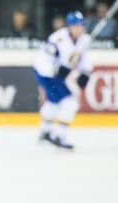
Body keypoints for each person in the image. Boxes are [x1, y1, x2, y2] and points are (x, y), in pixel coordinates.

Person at [33, 11, 92, 150]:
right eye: (74, 26)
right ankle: (59, 136)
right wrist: (56, 69)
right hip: (44, 73)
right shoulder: (57, 38)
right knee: (69, 102)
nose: (78, 29)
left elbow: (85, 59)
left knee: (54, 102)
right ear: (68, 26)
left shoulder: (85, 40)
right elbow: (42, 59)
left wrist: (85, 73)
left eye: (80, 26)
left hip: (56, 75)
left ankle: (46, 131)